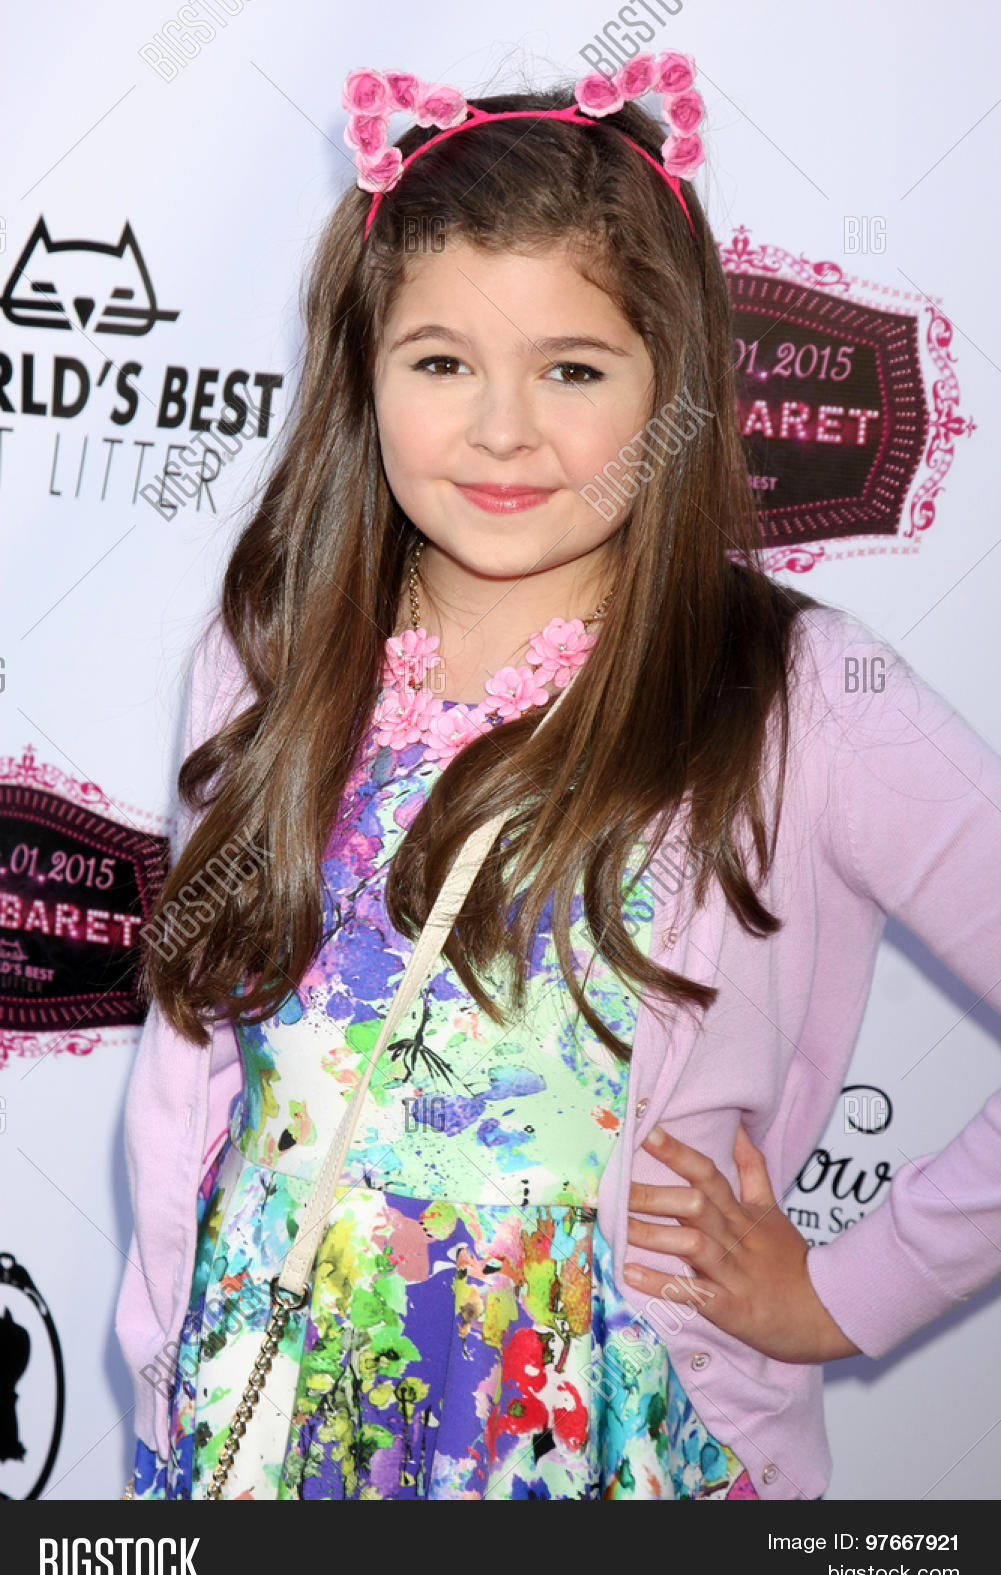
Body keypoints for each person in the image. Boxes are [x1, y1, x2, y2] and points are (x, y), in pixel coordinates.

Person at [116, 52, 1001, 1502]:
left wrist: (860, 1287)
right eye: (441, 362)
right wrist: (167, 1380)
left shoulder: (796, 697)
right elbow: (189, 1078)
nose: (502, 429)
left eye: (573, 370)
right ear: (364, 373)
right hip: (262, 1424)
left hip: (593, 1439)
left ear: (674, 385)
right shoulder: (270, 654)